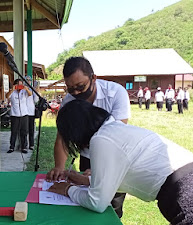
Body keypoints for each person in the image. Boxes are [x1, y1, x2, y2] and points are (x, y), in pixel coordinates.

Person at [48, 100, 193, 225]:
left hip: (188, 192)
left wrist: (68, 189)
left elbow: (97, 203)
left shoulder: (101, 139)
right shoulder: (114, 130)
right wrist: (87, 181)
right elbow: (123, 172)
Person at [47, 57, 131, 218]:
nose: (77, 93)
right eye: (71, 89)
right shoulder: (69, 101)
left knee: (111, 207)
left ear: (93, 78)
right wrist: (59, 167)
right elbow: (62, 137)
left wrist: (100, 169)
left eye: (80, 87)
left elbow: (118, 136)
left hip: (115, 158)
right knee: (86, 204)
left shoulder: (115, 93)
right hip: (88, 156)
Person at [6, 78, 32, 154]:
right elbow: (7, 96)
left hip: (24, 114)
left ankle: (23, 147)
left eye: (21, 84)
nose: (20, 86)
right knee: (14, 131)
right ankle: (12, 147)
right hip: (14, 115)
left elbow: (30, 94)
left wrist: (26, 89)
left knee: (24, 132)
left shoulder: (24, 92)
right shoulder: (13, 93)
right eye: (18, 84)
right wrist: (12, 89)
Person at [25, 76, 39, 151]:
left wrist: (36, 92)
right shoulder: (23, 89)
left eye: (29, 80)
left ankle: (31, 144)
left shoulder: (32, 90)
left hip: (31, 112)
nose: (28, 81)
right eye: (26, 80)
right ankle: (24, 144)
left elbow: (36, 100)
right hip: (23, 112)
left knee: (31, 129)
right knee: (24, 130)